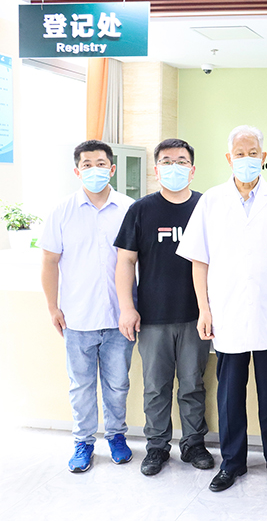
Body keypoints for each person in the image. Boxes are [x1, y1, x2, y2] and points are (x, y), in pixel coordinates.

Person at [177, 125, 267, 492]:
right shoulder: (212, 201)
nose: (246, 159)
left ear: (263, 157)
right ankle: (232, 463)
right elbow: (198, 260)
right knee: (230, 394)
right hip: (228, 311)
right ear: (228, 158)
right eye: (239, 153)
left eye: (253, 153)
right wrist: (204, 309)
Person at [114, 138, 214, 477]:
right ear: (156, 170)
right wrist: (127, 307)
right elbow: (125, 261)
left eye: (181, 161)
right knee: (156, 387)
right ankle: (157, 446)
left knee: (193, 384)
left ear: (192, 169)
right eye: (167, 161)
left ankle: (193, 443)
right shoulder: (141, 210)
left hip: (196, 316)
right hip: (153, 317)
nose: (175, 167)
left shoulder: (205, 206)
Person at [40, 140, 135, 472]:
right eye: (87, 164)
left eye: (101, 164)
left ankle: (117, 437)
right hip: (77, 318)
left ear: (112, 169)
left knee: (118, 385)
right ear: (77, 170)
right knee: (81, 387)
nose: (95, 170)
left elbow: (137, 262)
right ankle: (83, 442)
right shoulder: (61, 211)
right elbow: (49, 262)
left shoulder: (129, 209)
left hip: (119, 318)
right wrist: (52, 307)